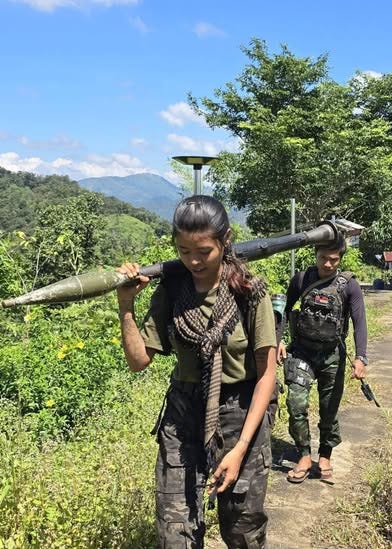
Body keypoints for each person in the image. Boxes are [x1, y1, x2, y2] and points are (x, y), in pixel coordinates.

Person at [116, 195, 277, 548]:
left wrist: (240, 449)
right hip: (183, 415)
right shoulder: (173, 289)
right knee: (174, 533)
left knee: (243, 531)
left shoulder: (249, 291)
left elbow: (267, 376)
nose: (193, 261)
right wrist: (126, 305)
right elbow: (138, 361)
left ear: (225, 240)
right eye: (184, 250)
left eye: (204, 251)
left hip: (240, 413)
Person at [277, 233, 368, 484]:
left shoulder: (349, 286)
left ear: (340, 259)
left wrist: (361, 357)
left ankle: (325, 454)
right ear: (315, 255)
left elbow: (360, 322)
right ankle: (304, 455)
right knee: (295, 403)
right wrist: (277, 341)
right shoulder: (301, 280)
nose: (327, 264)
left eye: (334, 259)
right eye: (323, 258)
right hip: (302, 352)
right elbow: (283, 311)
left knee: (329, 409)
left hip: (332, 356)